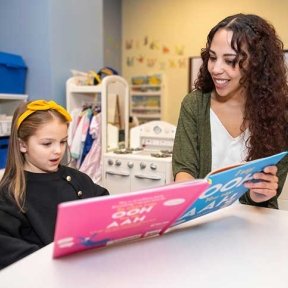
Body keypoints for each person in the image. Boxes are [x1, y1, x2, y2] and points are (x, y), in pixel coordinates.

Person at [172, 13, 288, 209]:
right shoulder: (195, 104)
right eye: (212, 57)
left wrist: (260, 194)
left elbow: (269, 191)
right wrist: (184, 195)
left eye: (230, 60)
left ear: (257, 64)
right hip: (202, 220)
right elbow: (184, 170)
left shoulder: (280, 114)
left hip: (254, 226)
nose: (216, 69)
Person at [0, 100, 109, 269]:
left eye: (63, 142)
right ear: (22, 145)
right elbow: (6, 247)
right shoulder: (10, 193)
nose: (58, 150)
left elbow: (105, 207)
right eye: (47, 144)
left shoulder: (78, 179)